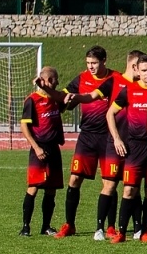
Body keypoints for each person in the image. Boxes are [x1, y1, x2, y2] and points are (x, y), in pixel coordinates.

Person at [57, 45, 123, 239]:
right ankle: (69, 224)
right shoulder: (81, 78)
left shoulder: (115, 78)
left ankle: (110, 226)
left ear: (104, 61)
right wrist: (65, 101)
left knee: (109, 182)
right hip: (87, 137)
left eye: (94, 63)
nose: (91, 67)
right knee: (75, 179)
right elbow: (64, 99)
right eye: (88, 63)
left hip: (108, 137)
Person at [106, 54, 147, 242]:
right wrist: (117, 139)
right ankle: (121, 232)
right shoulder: (129, 90)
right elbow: (110, 113)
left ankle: (145, 232)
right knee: (129, 190)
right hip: (134, 148)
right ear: (137, 70)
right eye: (144, 70)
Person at [19, 66, 68, 236]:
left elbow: (64, 105)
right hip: (39, 148)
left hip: (54, 148)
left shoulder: (56, 98)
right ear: (47, 80)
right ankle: (25, 227)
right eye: (55, 79)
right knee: (33, 187)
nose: (58, 82)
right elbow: (24, 125)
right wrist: (36, 147)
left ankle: (46, 226)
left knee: (51, 189)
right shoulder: (32, 100)